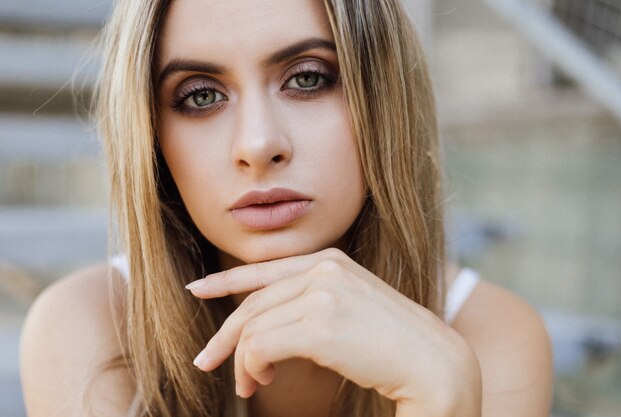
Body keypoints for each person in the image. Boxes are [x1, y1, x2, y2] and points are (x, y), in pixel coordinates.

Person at [19, 0, 553, 416]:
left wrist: (443, 399)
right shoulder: (88, 327)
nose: (257, 145)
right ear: (152, 141)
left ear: (383, 100)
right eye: (201, 95)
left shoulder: (487, 338)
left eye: (307, 78)